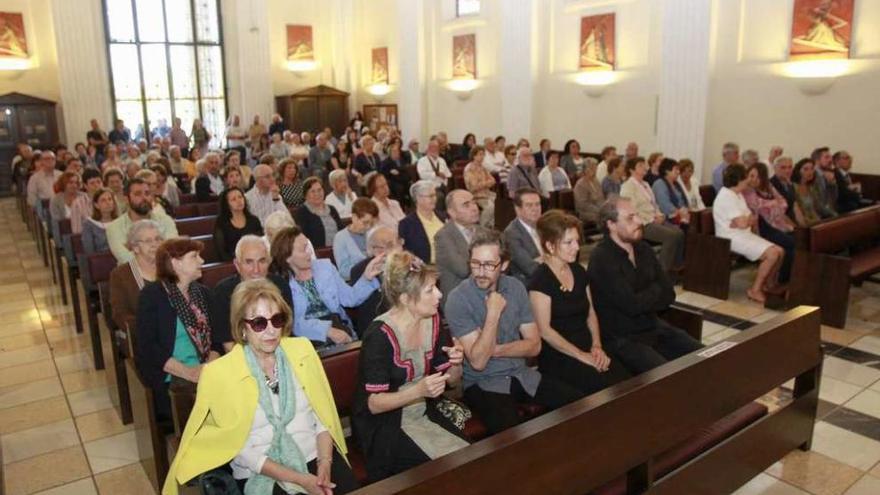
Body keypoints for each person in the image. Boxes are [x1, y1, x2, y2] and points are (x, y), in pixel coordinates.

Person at [163, 279, 358, 495]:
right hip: (261, 470)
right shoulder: (220, 374)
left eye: (277, 319)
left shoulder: (302, 351)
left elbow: (324, 417)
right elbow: (239, 449)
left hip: (317, 455)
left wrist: (325, 464)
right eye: (259, 323)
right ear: (242, 327)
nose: (271, 330)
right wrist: (300, 479)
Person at [445, 230, 582, 435]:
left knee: (580, 406)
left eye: (490, 265)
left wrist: (494, 349)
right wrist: (493, 314)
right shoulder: (458, 299)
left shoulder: (515, 287)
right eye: (475, 263)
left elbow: (534, 346)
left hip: (522, 375)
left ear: (504, 265)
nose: (481, 271)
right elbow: (479, 362)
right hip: (484, 383)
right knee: (513, 436)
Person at [353, 251, 469, 482]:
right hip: (384, 424)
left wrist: (456, 364)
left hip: (423, 410)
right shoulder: (380, 335)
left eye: (436, 286)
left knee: (468, 458)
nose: (439, 294)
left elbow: (452, 382)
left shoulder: (432, 320)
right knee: (445, 473)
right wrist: (418, 391)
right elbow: (374, 404)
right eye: (429, 290)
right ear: (406, 299)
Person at [588, 197, 703, 374]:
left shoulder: (643, 249)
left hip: (653, 326)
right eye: (630, 218)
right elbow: (632, 306)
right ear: (611, 224)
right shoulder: (601, 258)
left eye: (637, 216)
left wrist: (647, 295)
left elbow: (668, 295)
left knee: (704, 355)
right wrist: (655, 289)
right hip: (622, 337)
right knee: (669, 376)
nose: (639, 222)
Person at [529, 211, 630, 395]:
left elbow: (590, 312)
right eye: (569, 242)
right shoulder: (540, 281)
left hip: (587, 345)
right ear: (550, 246)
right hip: (560, 354)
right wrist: (582, 356)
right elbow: (545, 331)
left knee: (626, 381)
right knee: (605, 389)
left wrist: (597, 346)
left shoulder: (578, 271)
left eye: (577, 241)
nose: (576, 247)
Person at [135, 238, 219, 421]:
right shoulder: (152, 296)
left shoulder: (204, 293)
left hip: (206, 369)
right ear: (175, 263)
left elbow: (218, 339)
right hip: (171, 377)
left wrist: (207, 368)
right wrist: (188, 372)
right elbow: (148, 348)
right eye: (194, 256)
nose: (202, 261)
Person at [269, 227, 382, 347]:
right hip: (305, 340)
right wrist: (327, 331)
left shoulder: (325, 267)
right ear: (287, 257)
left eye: (308, 246)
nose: (309, 252)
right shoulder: (280, 283)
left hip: (338, 325)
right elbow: (291, 323)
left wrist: (366, 278)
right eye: (303, 249)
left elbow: (350, 298)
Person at [715, 164, 785, 303]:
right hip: (730, 237)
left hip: (742, 234)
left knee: (780, 251)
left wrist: (745, 221)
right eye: (746, 177)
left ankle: (768, 284)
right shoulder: (726, 196)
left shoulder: (738, 194)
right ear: (739, 180)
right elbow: (744, 222)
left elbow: (752, 217)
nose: (748, 180)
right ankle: (755, 290)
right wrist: (745, 221)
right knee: (772, 254)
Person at [212, 236, 293, 351]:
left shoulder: (280, 286)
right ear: (237, 265)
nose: (256, 269)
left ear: (269, 262)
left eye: (262, 261)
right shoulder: (222, 293)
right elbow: (229, 345)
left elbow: (286, 332)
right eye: (249, 262)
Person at [619, 157, 684, 272]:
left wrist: (660, 214)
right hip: (642, 223)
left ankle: (676, 267)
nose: (644, 167)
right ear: (631, 170)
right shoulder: (628, 186)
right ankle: (661, 271)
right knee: (671, 236)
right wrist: (651, 218)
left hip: (655, 218)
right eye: (640, 165)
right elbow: (631, 210)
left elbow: (654, 204)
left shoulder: (646, 184)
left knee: (680, 233)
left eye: (644, 164)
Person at [743, 163, 795, 284]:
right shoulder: (747, 191)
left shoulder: (769, 186)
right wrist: (773, 204)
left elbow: (783, 202)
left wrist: (773, 204)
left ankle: (787, 276)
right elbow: (757, 206)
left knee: (796, 239)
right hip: (761, 228)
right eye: (751, 176)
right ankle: (781, 280)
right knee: (790, 243)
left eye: (758, 177)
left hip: (777, 224)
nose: (753, 180)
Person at [106, 178, 179, 264]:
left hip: (163, 271)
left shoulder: (165, 220)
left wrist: (134, 248)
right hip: (131, 274)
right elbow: (126, 258)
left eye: (147, 193)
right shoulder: (114, 227)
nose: (144, 198)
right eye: (138, 194)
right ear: (126, 199)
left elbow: (171, 250)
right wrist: (159, 246)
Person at [348, 225, 401, 337]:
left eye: (396, 243)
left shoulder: (408, 264)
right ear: (374, 250)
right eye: (388, 245)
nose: (396, 248)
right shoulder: (360, 270)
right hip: (378, 330)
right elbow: (369, 312)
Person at [110, 220, 161, 333]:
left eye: (157, 239)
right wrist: (148, 327)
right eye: (148, 241)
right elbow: (120, 314)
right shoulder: (120, 275)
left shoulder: (169, 267)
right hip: (143, 334)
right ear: (135, 247)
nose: (155, 244)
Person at [435, 189, 481, 297]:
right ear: (452, 212)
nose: (474, 208)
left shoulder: (483, 231)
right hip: (459, 297)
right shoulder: (444, 236)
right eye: (466, 205)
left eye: (474, 202)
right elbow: (463, 270)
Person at [503, 187, 543, 285]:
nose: (535, 209)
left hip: (547, 277)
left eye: (537, 204)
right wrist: (550, 259)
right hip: (528, 284)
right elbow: (530, 268)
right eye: (529, 205)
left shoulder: (545, 225)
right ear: (518, 209)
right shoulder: (511, 233)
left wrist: (543, 259)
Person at [398, 180, 445, 263]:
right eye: (430, 196)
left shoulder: (443, 216)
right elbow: (406, 252)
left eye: (434, 195)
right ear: (417, 198)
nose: (434, 199)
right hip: (426, 268)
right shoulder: (406, 224)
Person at [214, 187, 264, 262]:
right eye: (233, 199)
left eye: (240, 197)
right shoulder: (222, 223)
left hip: (255, 260)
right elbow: (221, 252)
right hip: (232, 263)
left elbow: (262, 243)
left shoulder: (254, 220)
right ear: (227, 204)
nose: (239, 201)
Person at [333, 198, 378, 281]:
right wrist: (367, 265)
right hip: (357, 283)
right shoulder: (340, 238)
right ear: (354, 217)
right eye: (365, 222)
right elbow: (344, 272)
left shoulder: (372, 233)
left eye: (371, 223)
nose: (368, 226)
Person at [295, 177, 344, 248]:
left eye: (319, 190)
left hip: (338, 248)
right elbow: (303, 238)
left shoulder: (331, 209)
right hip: (317, 253)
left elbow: (341, 230)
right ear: (305, 195)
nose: (317, 194)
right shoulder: (302, 212)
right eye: (312, 191)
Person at [793, 158, 836, 226]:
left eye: (812, 168)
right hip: (806, 224)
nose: (810, 172)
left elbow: (820, 207)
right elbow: (798, 214)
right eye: (806, 169)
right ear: (798, 171)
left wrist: (835, 215)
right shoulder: (793, 187)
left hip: (817, 221)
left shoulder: (811, 187)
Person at [463, 146, 496, 228]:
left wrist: (483, 183)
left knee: (498, 203)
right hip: (475, 195)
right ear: (474, 156)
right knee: (490, 206)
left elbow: (493, 180)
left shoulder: (482, 167)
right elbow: (474, 187)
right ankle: (482, 226)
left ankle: (490, 226)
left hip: (486, 193)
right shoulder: (469, 168)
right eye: (480, 154)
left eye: (483, 155)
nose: (482, 157)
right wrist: (486, 183)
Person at [651, 158, 690, 228]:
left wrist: (686, 210)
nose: (678, 172)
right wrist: (680, 212)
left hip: (681, 214)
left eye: (678, 169)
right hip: (668, 217)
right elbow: (665, 206)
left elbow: (684, 201)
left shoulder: (676, 183)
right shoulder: (659, 184)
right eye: (676, 169)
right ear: (667, 171)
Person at [82, 188, 119, 254]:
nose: (108, 203)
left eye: (110, 199)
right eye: (103, 200)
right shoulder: (89, 224)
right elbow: (89, 251)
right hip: (100, 261)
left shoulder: (121, 221)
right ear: (96, 205)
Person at [574, 158, 605, 224]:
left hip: (598, 209)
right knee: (603, 217)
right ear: (586, 170)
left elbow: (601, 198)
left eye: (595, 168)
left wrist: (604, 208)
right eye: (592, 168)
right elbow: (583, 204)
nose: (595, 171)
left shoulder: (596, 181)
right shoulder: (580, 184)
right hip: (585, 212)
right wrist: (599, 210)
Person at [770, 156, 797, 220]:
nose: (787, 170)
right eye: (783, 168)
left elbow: (794, 207)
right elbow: (779, 213)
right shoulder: (771, 185)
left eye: (790, 167)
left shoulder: (790, 183)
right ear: (775, 169)